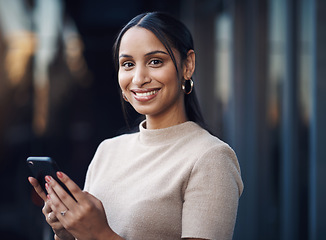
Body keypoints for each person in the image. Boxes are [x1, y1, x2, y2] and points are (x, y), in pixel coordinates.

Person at [28, 12, 244, 240]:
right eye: (128, 64)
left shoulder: (211, 157)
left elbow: (100, 235)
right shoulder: (107, 151)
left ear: (188, 65)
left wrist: (100, 234)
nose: (139, 78)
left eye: (155, 61)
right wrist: (68, 231)